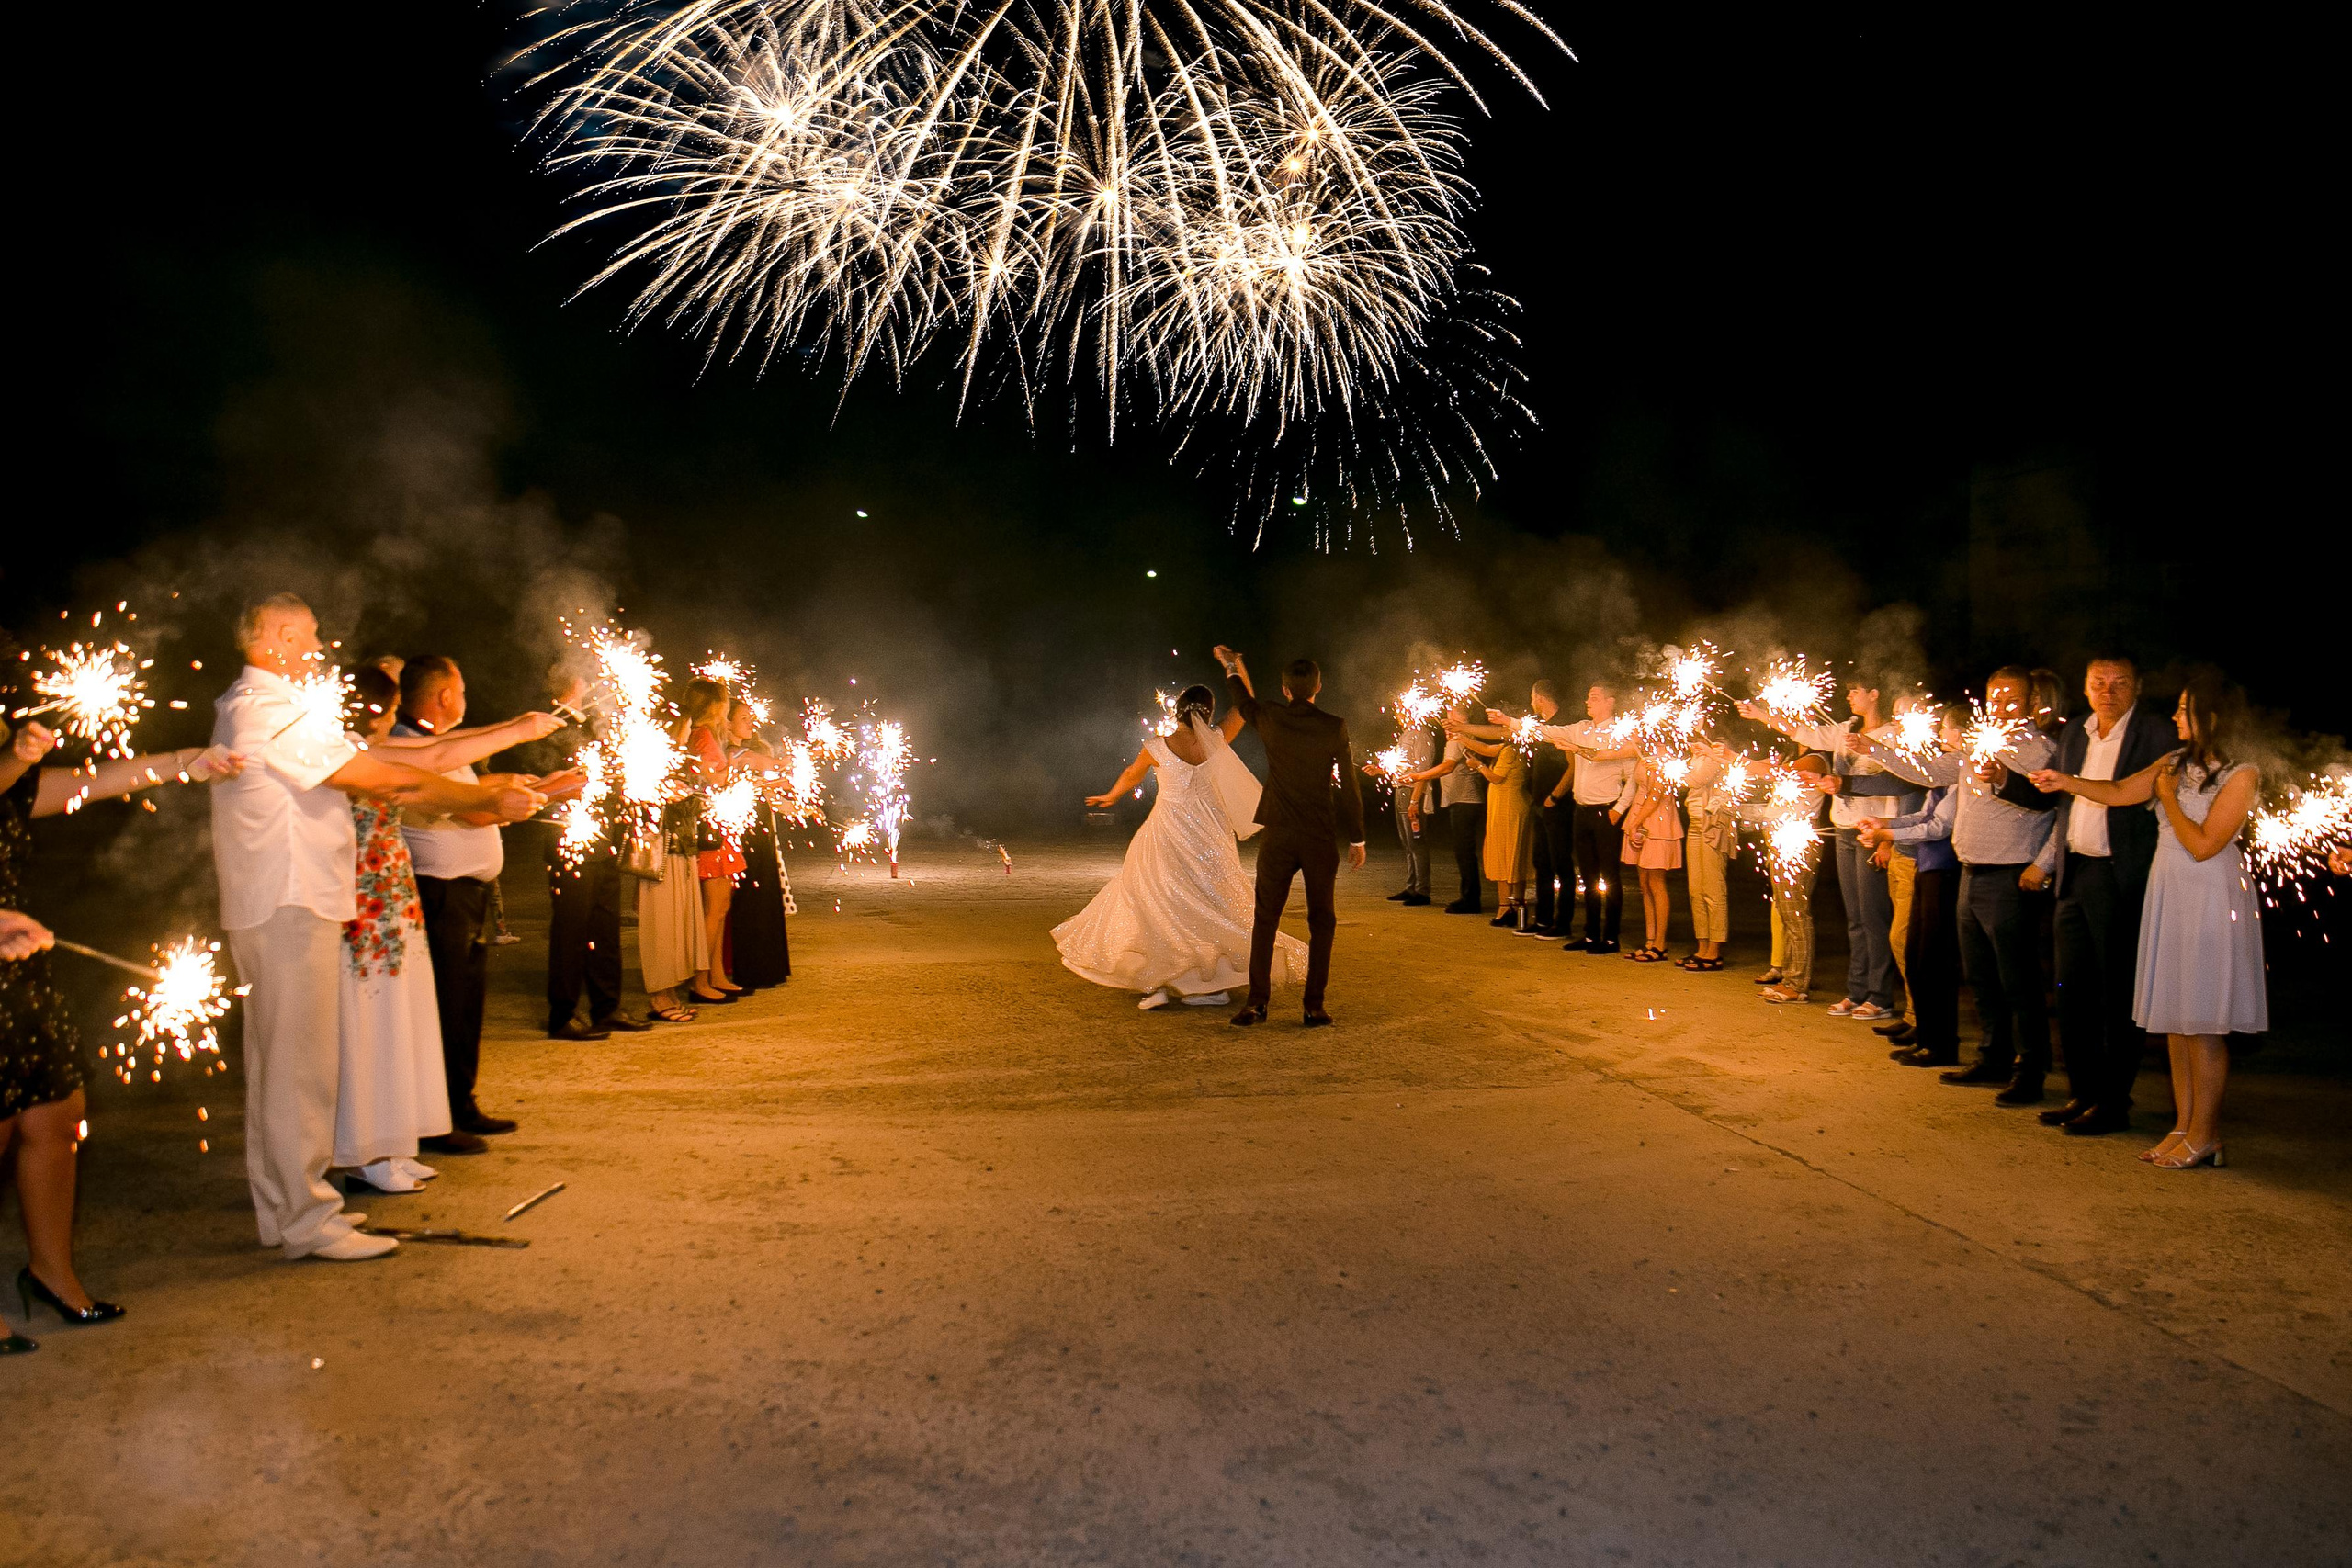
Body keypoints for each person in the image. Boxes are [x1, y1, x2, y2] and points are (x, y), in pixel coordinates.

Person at [211, 596, 540, 1262]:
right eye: (305, 635)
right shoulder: (265, 711)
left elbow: (408, 765)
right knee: (298, 1072)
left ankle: (285, 1209)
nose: (317, 646)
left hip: (289, 901)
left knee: (283, 1068)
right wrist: (480, 799)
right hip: (289, 902)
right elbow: (385, 776)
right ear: (274, 637)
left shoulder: (269, 707)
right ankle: (307, 1218)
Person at [2, 715, 243, 1340]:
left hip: (17, 970)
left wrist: (181, 759)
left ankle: (51, 1271)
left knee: (55, 1114)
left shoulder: (14, 785)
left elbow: (94, 780)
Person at [337, 666, 565, 1187]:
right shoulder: (345, 754)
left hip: (389, 900)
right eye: (392, 709)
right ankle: (366, 1153)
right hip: (367, 904)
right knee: (372, 1027)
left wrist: (517, 730)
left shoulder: (363, 747)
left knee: (401, 1022)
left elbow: (437, 752)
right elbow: (426, 774)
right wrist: (495, 788)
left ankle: (392, 1144)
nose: (398, 719)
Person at [2030, 670, 2266, 1169]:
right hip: (2169, 893)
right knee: (2177, 1025)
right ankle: (2183, 1126)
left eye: (2185, 710)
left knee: (2203, 1024)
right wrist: (2064, 781)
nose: (2176, 716)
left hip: (2208, 898)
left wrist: (2171, 797)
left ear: (2212, 717)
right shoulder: (2174, 761)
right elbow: (2119, 791)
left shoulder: (2243, 774)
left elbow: (2204, 844)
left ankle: (2207, 1134)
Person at [1849, 667, 2058, 1104]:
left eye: (2011, 700)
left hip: (2011, 875)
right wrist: (1874, 748)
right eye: (1994, 699)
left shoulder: (2040, 749)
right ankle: (1993, 1056)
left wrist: (2043, 863)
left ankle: (2030, 1069)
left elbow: (2054, 808)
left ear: (2031, 702)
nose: (2000, 708)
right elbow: (1928, 770)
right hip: (1972, 871)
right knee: (1982, 976)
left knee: (2016, 979)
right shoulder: (1976, 747)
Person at [394, 656, 578, 1151]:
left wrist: (534, 785)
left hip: (463, 896)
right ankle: (439, 1118)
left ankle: (461, 1104)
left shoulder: (438, 743)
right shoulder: (409, 746)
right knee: (446, 1008)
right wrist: (543, 788)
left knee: (465, 1006)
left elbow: (476, 789)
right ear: (445, 697)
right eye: (462, 691)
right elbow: (468, 807)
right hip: (441, 894)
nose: (466, 700)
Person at [2003, 655, 2173, 1135]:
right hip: (2075, 871)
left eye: (2119, 683)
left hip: (2119, 875)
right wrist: (2003, 781)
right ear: (2085, 685)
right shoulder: (2077, 731)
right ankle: (2082, 1091)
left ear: (2137, 686)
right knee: (2071, 990)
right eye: (2099, 682)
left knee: (2117, 992)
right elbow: (2053, 795)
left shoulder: (2154, 734)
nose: (2108, 691)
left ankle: (2114, 1100)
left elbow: (2132, 794)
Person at [1056, 682, 1306, 1008]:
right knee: (1211, 903)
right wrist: (1234, 667)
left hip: (1166, 833)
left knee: (1154, 904)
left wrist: (1112, 795)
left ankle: (1156, 984)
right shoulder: (1217, 740)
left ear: (1178, 712)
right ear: (1209, 712)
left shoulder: (1156, 746)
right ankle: (1208, 985)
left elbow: (1132, 774)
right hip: (1209, 835)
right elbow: (1246, 702)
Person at [1742, 679, 1913, 1022]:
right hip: (1843, 829)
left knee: (1872, 916)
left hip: (1872, 832)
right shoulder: (1844, 730)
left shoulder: (1891, 735)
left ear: (1874, 693)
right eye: (1848, 690)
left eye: (1855, 690)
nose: (1849, 696)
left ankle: (1880, 996)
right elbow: (1804, 733)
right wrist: (1762, 715)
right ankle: (1856, 990)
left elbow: (1898, 786)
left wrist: (1886, 837)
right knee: (1854, 918)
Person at [1214, 647, 1366, 1027]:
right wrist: (1358, 838)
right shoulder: (1334, 726)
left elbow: (1242, 700)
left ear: (1284, 690)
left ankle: (1256, 1002)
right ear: (1319, 687)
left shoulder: (1271, 718)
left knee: (1265, 918)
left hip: (1279, 833)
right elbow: (1349, 785)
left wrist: (1232, 666)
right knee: (1322, 920)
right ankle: (1313, 1005)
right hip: (1318, 834)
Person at [514, 663, 650, 1041]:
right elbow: (543, 783)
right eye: (585, 679)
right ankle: (563, 1014)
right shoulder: (548, 727)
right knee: (571, 930)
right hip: (569, 841)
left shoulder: (592, 724)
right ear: (573, 684)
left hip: (602, 841)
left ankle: (607, 1008)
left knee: (605, 929)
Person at [1857, 704, 1969, 1067]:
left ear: (1960, 734)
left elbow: (1938, 827)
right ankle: (1926, 1034)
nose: (1940, 736)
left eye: (1946, 730)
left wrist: (1886, 832)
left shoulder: (1962, 769)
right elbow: (1924, 815)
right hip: (1928, 867)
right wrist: (1884, 821)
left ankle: (1940, 1043)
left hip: (1945, 870)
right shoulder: (1947, 773)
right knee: (1920, 957)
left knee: (1933, 960)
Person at [1537, 685, 1638, 953]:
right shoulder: (1581, 728)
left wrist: (1619, 809)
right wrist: (1508, 722)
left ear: (1610, 702)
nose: (1587, 701)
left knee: (1610, 877)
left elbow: (1633, 778)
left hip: (1605, 812)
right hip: (1581, 812)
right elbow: (1547, 731)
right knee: (1589, 876)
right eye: (1588, 696)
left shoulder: (1620, 734)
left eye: (1594, 698)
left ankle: (1611, 937)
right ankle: (1591, 934)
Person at [1736, 753, 1832, 1003]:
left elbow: (1772, 773)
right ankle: (1790, 978)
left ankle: (1798, 983)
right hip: (1784, 841)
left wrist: (1731, 757)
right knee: (1788, 914)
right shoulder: (1794, 761)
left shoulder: (1813, 760)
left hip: (1798, 843)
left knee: (1797, 915)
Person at [677, 680, 748, 1005]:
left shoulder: (703, 734)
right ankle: (699, 979)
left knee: (721, 906)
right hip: (711, 830)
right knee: (715, 906)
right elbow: (708, 779)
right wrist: (733, 769)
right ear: (716, 706)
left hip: (718, 825)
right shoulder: (702, 736)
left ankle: (716, 974)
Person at [723, 697, 793, 990]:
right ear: (726, 722)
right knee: (750, 897)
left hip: (759, 825)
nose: (751, 723)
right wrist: (778, 765)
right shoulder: (727, 750)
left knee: (765, 893)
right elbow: (743, 765)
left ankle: (769, 966)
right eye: (743, 718)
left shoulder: (746, 750)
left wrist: (777, 787)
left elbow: (755, 781)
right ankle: (751, 968)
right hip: (742, 831)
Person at [1407, 698, 1487, 914]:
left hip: (1465, 801)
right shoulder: (1462, 736)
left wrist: (1419, 775)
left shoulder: (1459, 738)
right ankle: (1468, 896)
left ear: (1457, 716)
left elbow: (1447, 767)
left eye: (1450, 712)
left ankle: (1471, 900)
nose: (1445, 716)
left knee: (1464, 852)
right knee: (1464, 852)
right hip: (1463, 801)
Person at [1454, 724, 1535, 929]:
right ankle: (1517, 906)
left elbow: (1496, 778)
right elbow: (1486, 748)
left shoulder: (1511, 750)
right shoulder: (1513, 747)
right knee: (1514, 857)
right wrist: (1461, 737)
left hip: (1508, 808)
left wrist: (1478, 766)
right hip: (1511, 806)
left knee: (1505, 856)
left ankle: (1505, 907)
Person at [1617, 745, 1685, 961]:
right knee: (1644, 882)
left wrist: (1635, 822)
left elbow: (1656, 795)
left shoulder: (1666, 759)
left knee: (1656, 881)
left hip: (1659, 822)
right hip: (1640, 816)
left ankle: (1660, 944)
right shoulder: (1644, 753)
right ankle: (1649, 940)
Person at [1677, 739, 1737, 971]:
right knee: (1696, 890)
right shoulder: (1698, 753)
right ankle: (1701, 947)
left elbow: (1695, 780)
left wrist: (1667, 767)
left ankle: (1714, 951)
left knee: (1713, 889)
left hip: (1713, 824)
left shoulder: (1718, 748)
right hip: (1694, 823)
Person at [1366, 718, 1435, 907]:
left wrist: (1414, 801)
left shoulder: (1421, 735)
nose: (1398, 714)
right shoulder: (1406, 734)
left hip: (1413, 793)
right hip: (1401, 790)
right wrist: (1380, 771)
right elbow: (1403, 767)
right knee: (1407, 844)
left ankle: (1422, 891)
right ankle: (1411, 887)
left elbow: (1423, 770)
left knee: (1417, 843)